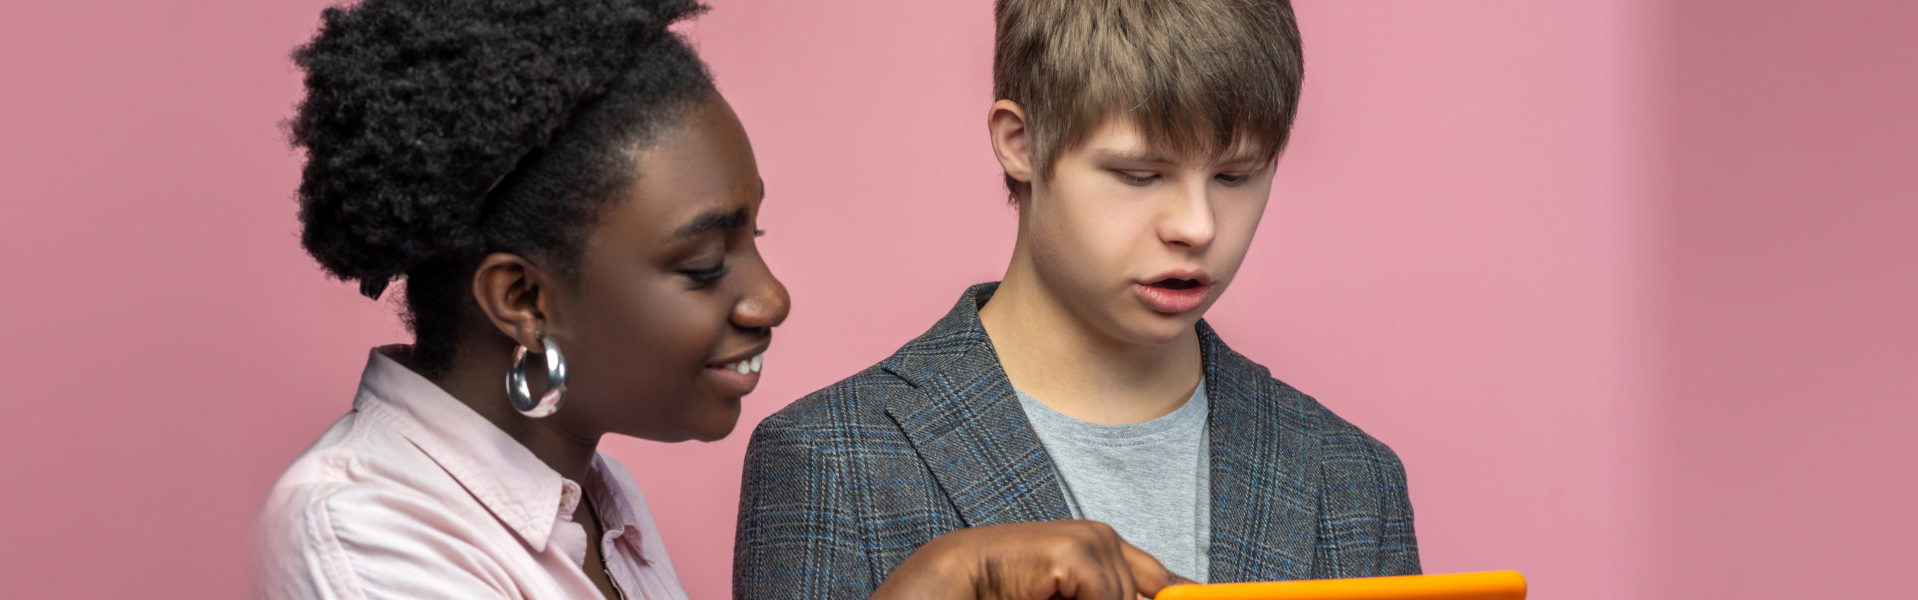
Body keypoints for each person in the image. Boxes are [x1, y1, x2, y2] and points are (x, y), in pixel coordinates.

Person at [253, 1, 1184, 598]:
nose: (769, 298)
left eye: (756, 242)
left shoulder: (599, 513)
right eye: (704, 264)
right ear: (522, 297)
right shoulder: (358, 534)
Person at [734, 0, 1420, 596]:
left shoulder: (1355, 479)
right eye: (1139, 174)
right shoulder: (830, 462)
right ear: (1021, 143)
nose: (1198, 226)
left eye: (1237, 176)